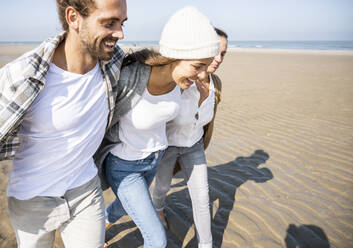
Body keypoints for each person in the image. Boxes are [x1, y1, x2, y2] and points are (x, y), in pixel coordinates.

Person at [0, 0, 127, 247]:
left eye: (121, 23)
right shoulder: (22, 75)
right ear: (73, 18)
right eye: (109, 23)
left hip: (85, 190)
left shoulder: (112, 61)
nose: (120, 33)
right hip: (32, 199)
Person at [94, 6, 220, 248]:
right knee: (157, 239)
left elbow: (190, 118)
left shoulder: (181, 82)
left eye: (206, 66)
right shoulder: (130, 75)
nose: (202, 74)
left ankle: (107, 220)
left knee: (123, 205)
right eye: (197, 66)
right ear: (174, 56)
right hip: (124, 166)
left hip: (153, 161)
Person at [151, 27, 228, 248]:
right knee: (163, 186)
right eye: (216, 52)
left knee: (202, 198)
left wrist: (204, 99)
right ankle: (158, 210)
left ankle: (206, 244)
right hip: (168, 145)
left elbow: (205, 122)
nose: (219, 59)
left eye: (223, 53)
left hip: (193, 146)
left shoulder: (217, 84)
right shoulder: (180, 79)